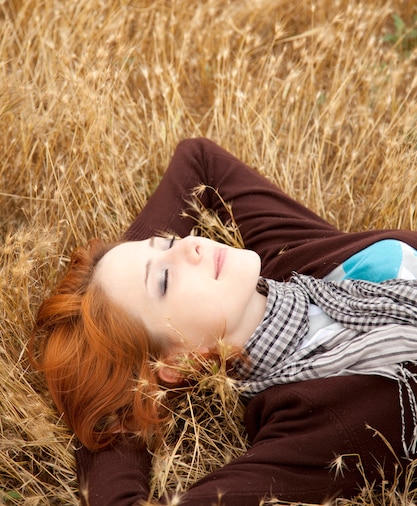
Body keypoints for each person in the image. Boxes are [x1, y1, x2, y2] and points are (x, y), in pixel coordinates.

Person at [30, 138, 417, 506]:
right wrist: (115, 405)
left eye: (166, 242)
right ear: (176, 363)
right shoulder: (318, 418)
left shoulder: (292, 258)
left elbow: (199, 160)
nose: (189, 244)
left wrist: (123, 271)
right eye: (163, 281)